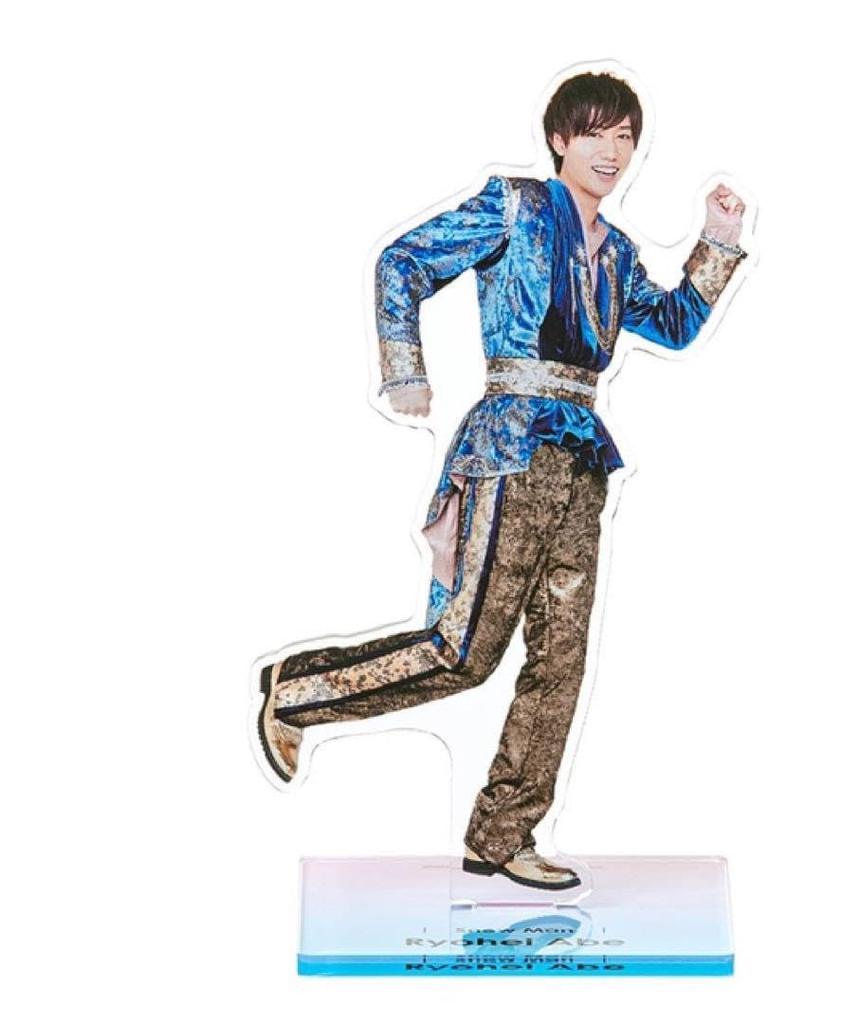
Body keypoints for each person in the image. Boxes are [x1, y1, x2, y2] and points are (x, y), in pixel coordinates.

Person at [254, 71, 747, 891]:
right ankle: (297, 690)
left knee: (561, 663)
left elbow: (673, 324)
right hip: (511, 446)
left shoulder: (618, 252)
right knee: (465, 651)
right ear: (559, 139)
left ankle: (502, 834)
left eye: (625, 138)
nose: (611, 152)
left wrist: (717, 239)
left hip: (582, 460)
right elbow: (404, 261)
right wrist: (405, 368)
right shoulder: (514, 207)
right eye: (595, 134)